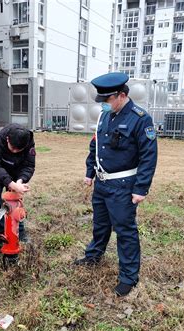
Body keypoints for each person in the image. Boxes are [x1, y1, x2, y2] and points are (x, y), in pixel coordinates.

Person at [74, 72, 158, 297]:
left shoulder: (140, 119)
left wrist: (141, 188)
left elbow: (149, 156)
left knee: (124, 230)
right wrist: (90, 171)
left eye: (107, 99)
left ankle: (128, 277)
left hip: (123, 185)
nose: (104, 104)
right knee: (100, 224)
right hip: (102, 184)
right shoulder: (105, 117)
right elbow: (96, 145)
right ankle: (94, 256)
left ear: (121, 95)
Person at [0, 123, 36, 259]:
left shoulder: (28, 142)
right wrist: (10, 183)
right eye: (12, 148)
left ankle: (19, 230)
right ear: (7, 139)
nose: (14, 152)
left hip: (16, 173)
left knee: (15, 201)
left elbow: (29, 165)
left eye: (19, 150)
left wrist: (20, 181)